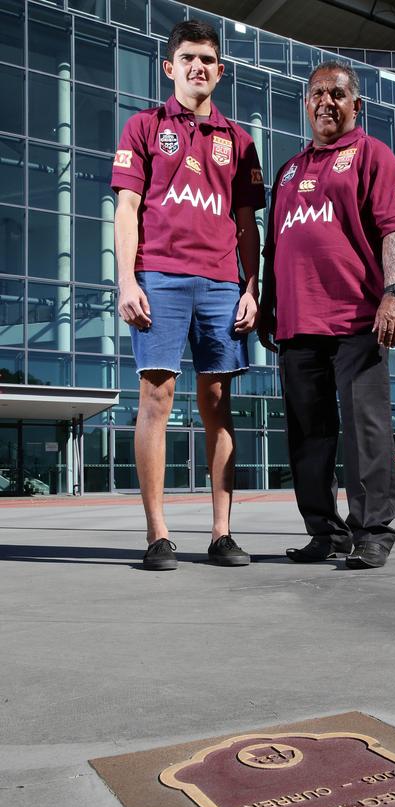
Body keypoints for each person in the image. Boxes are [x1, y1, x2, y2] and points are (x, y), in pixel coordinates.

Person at [111, 19, 265, 570]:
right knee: (156, 398)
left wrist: (253, 287)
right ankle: (158, 535)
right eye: (188, 58)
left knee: (219, 405)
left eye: (208, 59)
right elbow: (126, 209)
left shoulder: (240, 142)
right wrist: (127, 279)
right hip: (160, 275)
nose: (198, 67)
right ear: (169, 67)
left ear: (220, 72)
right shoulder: (143, 127)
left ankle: (222, 533)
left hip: (223, 282)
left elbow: (247, 224)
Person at [259, 61, 395, 569]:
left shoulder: (372, 154)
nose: (325, 102)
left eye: (337, 93)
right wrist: (268, 306)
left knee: (365, 430)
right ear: (307, 105)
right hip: (297, 326)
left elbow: (394, 229)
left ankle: (372, 531)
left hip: (356, 319)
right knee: (308, 436)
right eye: (316, 94)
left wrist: (393, 293)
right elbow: (274, 248)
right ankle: (323, 533)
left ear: (357, 105)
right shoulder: (287, 171)